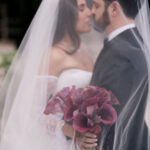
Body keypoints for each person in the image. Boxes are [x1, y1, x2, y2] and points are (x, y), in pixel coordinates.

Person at [0, 0, 97, 149]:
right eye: (82, 8)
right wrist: (72, 131)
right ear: (66, 16)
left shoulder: (82, 49)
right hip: (60, 140)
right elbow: (35, 110)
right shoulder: (53, 56)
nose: (90, 13)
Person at [79, 0, 150, 150]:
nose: (92, 12)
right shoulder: (133, 44)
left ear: (114, 8)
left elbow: (112, 119)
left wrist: (85, 138)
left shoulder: (120, 53)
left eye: (97, 6)